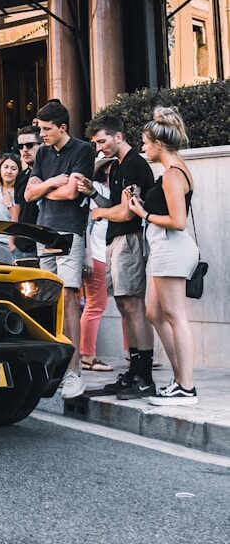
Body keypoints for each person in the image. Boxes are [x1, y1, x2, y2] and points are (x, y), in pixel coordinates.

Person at [78, 113, 156, 398]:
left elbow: (125, 211)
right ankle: (134, 372)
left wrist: (98, 212)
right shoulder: (119, 167)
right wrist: (92, 195)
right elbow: (113, 205)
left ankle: (144, 377)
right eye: (96, 143)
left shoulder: (134, 164)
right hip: (116, 240)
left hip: (130, 240)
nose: (100, 148)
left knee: (134, 307)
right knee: (125, 307)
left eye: (103, 141)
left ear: (118, 136)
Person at [126, 107, 200, 405]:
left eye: (145, 142)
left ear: (157, 144)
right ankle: (179, 379)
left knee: (175, 316)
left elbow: (178, 221)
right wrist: (144, 203)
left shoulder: (172, 175)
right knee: (154, 313)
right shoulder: (173, 171)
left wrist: (142, 212)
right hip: (163, 247)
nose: (143, 148)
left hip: (172, 247)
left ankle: (186, 386)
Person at [24, 100, 95, 399]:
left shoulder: (82, 150)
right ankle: (53, 368)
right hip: (45, 231)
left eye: (46, 129)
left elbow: (70, 193)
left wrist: (46, 188)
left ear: (63, 127)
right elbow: (29, 194)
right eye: (40, 129)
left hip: (68, 232)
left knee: (67, 297)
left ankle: (73, 373)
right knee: (46, 299)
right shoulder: (42, 154)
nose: (41, 135)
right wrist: (53, 181)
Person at [79, 161, 111, 374]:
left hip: (106, 252)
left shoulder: (107, 190)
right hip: (97, 253)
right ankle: (88, 356)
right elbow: (85, 223)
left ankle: (130, 352)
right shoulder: (96, 189)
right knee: (95, 304)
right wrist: (87, 254)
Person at [13, 125, 42, 259]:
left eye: (29, 145)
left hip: (42, 243)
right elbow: (17, 209)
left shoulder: (49, 174)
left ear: (41, 146)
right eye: (21, 146)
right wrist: (12, 241)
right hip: (20, 244)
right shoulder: (20, 176)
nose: (24, 150)